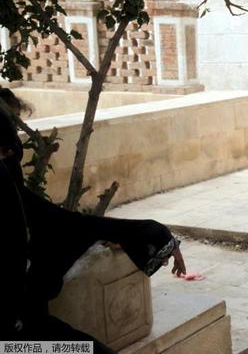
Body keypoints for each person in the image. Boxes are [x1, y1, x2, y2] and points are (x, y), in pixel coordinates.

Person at [0, 88, 186, 352]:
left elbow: (66, 224)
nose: (9, 161)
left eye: (10, 152)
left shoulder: (18, 197)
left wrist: (152, 234)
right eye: (5, 152)